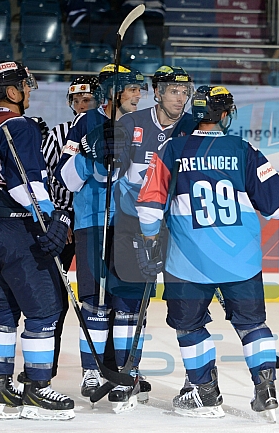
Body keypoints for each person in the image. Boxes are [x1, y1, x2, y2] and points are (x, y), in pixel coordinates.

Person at [134, 85, 279, 421]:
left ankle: (206, 394)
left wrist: (150, 242)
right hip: (241, 260)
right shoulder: (243, 150)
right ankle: (266, 389)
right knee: (253, 325)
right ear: (224, 114)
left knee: (190, 327)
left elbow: (148, 209)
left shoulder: (172, 149)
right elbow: (277, 206)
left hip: (188, 261)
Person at [0, 60, 74, 420]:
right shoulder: (19, 125)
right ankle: (36, 389)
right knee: (44, 308)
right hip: (16, 226)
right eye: (25, 85)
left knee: (3, 311)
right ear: (12, 91)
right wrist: (48, 218)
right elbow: (25, 183)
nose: (29, 90)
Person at [54, 64, 148, 412]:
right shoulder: (85, 122)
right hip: (93, 221)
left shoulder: (145, 125)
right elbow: (66, 177)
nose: (140, 95)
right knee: (95, 299)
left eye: (141, 89)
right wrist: (94, 159)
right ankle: (92, 370)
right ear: (115, 91)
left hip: (132, 223)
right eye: (133, 89)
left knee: (129, 302)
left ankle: (127, 371)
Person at [113, 65, 198, 400]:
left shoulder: (193, 126)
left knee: (187, 305)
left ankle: (198, 380)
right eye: (175, 91)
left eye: (185, 92)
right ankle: (126, 374)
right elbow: (111, 176)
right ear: (158, 91)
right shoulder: (130, 123)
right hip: (133, 223)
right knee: (130, 304)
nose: (181, 98)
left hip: (177, 227)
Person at [38, 75, 100, 381]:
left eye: (87, 99)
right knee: (54, 301)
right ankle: (44, 373)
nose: (82, 105)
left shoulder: (111, 128)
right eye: (77, 101)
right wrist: (61, 215)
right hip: (64, 225)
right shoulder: (60, 133)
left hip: (97, 223)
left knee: (101, 300)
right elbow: (50, 176)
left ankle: (107, 368)